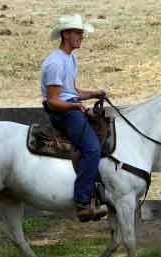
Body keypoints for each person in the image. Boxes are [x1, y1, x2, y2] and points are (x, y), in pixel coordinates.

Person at [40, 14, 107, 222]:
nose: (81, 37)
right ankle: (82, 202)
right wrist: (76, 106)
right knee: (92, 148)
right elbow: (52, 100)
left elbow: (71, 90)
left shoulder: (70, 58)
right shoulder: (55, 63)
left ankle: (98, 189)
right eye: (78, 33)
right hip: (61, 112)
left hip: (69, 106)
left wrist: (93, 94)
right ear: (66, 34)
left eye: (81, 33)